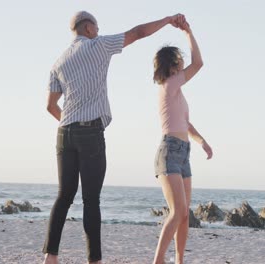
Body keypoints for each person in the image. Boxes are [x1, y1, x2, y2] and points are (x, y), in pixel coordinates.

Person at [43, 11, 187, 264]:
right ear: (88, 28)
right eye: (96, 27)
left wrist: (71, 124)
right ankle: (94, 260)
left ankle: (50, 257)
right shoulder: (98, 45)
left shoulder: (58, 62)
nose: (98, 31)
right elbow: (138, 33)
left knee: (64, 196)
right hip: (90, 133)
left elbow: (50, 106)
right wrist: (166, 20)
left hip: (64, 134)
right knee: (91, 199)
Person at [152, 19, 213, 264]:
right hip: (169, 152)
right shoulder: (170, 84)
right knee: (177, 212)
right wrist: (188, 32)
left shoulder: (176, 91)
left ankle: (179, 261)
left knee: (184, 214)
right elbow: (199, 63)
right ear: (172, 65)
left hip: (183, 151)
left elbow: (185, 125)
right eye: (179, 59)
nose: (182, 62)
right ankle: (158, 261)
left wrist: (201, 141)